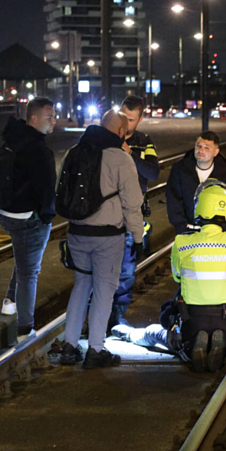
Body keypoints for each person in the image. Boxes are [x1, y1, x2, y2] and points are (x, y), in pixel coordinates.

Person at [114, 179, 226, 372]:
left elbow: (178, 277)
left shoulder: (182, 242)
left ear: (199, 206)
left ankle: (129, 333)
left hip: (191, 319)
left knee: (159, 335)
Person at [59, 110, 145, 368]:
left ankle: (69, 345)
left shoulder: (74, 152)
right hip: (107, 237)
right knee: (104, 291)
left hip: (77, 234)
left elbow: (62, 191)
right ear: (120, 132)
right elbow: (132, 204)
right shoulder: (120, 158)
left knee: (81, 286)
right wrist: (138, 238)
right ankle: (96, 349)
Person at [0, 97, 57, 341]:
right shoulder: (39, 150)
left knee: (23, 259)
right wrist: (46, 216)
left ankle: (10, 301)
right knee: (29, 271)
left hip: (6, 213)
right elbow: (46, 189)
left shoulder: (12, 140)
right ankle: (24, 328)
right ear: (34, 118)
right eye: (49, 117)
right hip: (27, 218)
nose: (54, 121)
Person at [109, 95, 160, 329]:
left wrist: (130, 153)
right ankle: (99, 313)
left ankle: (118, 315)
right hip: (108, 213)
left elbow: (153, 173)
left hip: (132, 213)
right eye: (123, 117)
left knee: (127, 270)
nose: (125, 123)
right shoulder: (106, 137)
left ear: (139, 119)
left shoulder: (144, 142)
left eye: (130, 119)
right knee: (103, 266)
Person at [165, 131, 226, 235]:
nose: (201, 150)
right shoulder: (180, 169)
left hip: (216, 233)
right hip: (187, 231)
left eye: (207, 147)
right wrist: (181, 226)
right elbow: (173, 198)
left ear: (216, 152)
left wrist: (225, 229)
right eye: (198, 146)